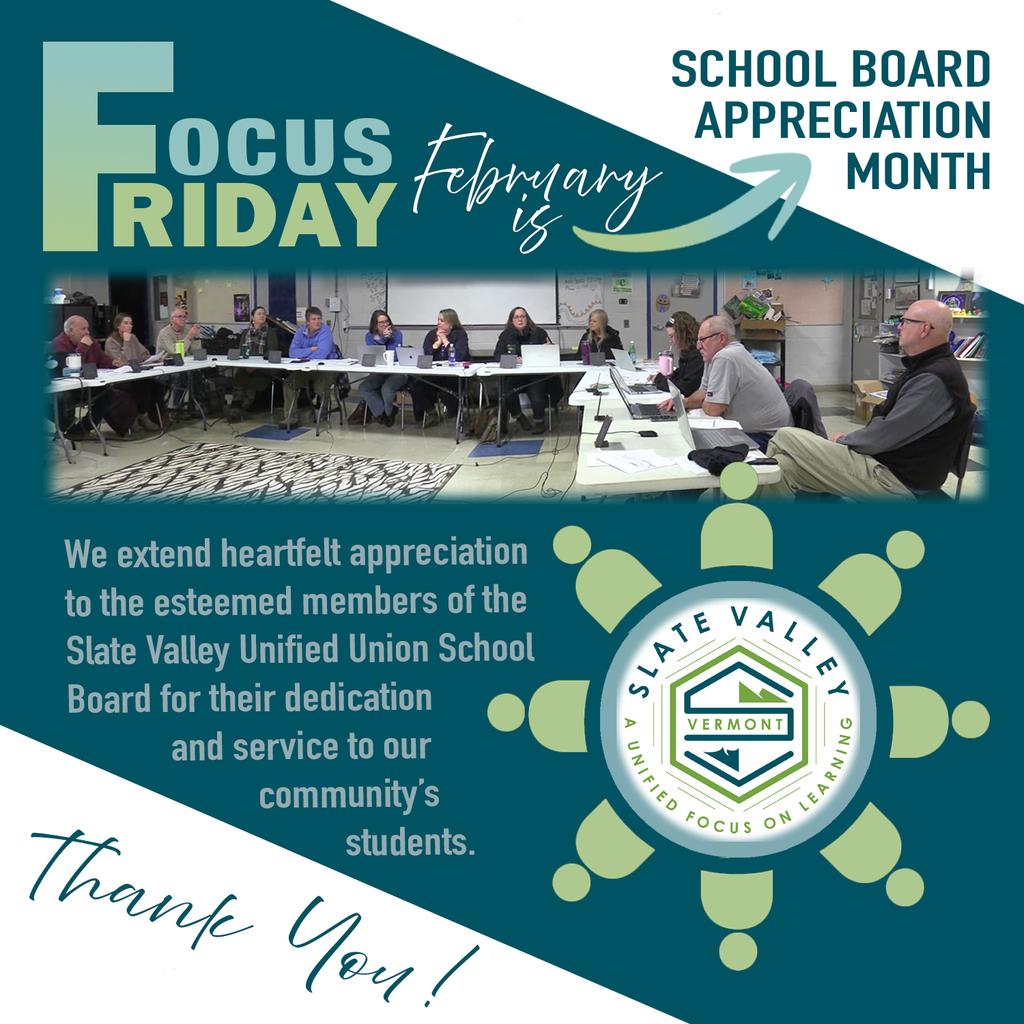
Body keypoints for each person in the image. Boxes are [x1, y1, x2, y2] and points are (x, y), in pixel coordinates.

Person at [763, 299, 971, 500]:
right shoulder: (929, 368)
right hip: (886, 465)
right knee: (783, 466)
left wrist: (844, 442)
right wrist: (852, 441)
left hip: (896, 481)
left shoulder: (934, 379)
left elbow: (886, 434)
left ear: (924, 329)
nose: (899, 327)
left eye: (905, 322)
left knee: (786, 436)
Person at [677, 314, 792, 450]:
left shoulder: (726, 357)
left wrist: (708, 400)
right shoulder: (713, 357)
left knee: (695, 449)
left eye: (702, 340)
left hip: (768, 438)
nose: (698, 346)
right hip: (756, 432)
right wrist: (683, 403)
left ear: (721, 338)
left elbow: (714, 409)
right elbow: (703, 392)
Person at [51, 315, 137, 436]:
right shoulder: (59, 344)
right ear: (71, 331)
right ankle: (67, 427)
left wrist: (113, 363)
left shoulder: (90, 341)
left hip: (86, 384)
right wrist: (83, 347)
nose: (87, 332)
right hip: (67, 387)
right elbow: (69, 367)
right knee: (64, 400)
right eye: (83, 329)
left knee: (108, 394)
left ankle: (82, 428)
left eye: (87, 328)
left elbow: (102, 360)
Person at [494, 306, 563, 434]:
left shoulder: (539, 332)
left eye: (522, 316)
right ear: (511, 320)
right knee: (507, 390)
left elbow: (552, 354)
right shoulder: (506, 335)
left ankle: (539, 422)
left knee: (535, 391)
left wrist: (549, 348)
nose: (520, 319)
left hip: (536, 374)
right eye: (516, 317)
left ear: (527, 318)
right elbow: (497, 355)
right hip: (516, 375)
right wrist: (513, 359)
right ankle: (519, 417)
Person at [105, 313, 169, 431]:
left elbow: (144, 353)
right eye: (126, 323)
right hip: (120, 378)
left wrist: (153, 358)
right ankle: (136, 417)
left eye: (130, 323)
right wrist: (126, 342)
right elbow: (122, 362)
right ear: (118, 325)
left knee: (156, 385)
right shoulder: (111, 342)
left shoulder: (133, 337)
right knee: (142, 386)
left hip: (136, 374)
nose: (129, 326)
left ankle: (147, 415)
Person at [409, 309, 470, 427]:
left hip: (453, 376)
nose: (438, 323)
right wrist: (436, 345)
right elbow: (425, 357)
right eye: (438, 320)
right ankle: (431, 412)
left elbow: (460, 357)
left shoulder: (460, 334)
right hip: (436, 374)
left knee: (446, 392)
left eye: (442, 320)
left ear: (450, 323)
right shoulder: (432, 335)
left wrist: (445, 341)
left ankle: (457, 415)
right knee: (416, 385)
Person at [283, 306, 339, 426]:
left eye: (319, 318)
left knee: (320, 387)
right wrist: (311, 349)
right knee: (289, 383)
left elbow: (321, 355)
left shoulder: (325, 331)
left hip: (325, 368)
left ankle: (323, 411)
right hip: (306, 369)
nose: (317, 321)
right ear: (307, 322)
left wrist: (303, 354)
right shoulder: (300, 332)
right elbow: (292, 353)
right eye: (314, 319)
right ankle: (291, 417)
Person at [228, 306, 280, 417]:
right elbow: (241, 349)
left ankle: (245, 406)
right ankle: (236, 404)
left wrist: (257, 364)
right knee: (240, 375)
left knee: (253, 378)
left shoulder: (270, 332)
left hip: (263, 367)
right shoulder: (246, 333)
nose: (262, 316)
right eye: (259, 314)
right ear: (253, 317)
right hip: (247, 365)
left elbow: (272, 350)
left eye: (263, 314)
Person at [358, 310, 407, 427]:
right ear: (375, 325)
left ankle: (388, 413)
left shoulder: (397, 334)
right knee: (364, 387)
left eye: (386, 321)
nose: (385, 325)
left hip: (397, 372)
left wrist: (385, 339)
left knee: (386, 389)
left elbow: (393, 356)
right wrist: (383, 339)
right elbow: (375, 354)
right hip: (380, 372)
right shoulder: (369, 336)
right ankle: (382, 412)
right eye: (381, 323)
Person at [651, 310, 704, 398]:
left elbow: (685, 387)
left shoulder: (697, 355)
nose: (671, 341)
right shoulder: (688, 352)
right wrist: (667, 376)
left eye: (672, 336)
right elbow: (682, 374)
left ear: (682, 334)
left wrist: (659, 380)